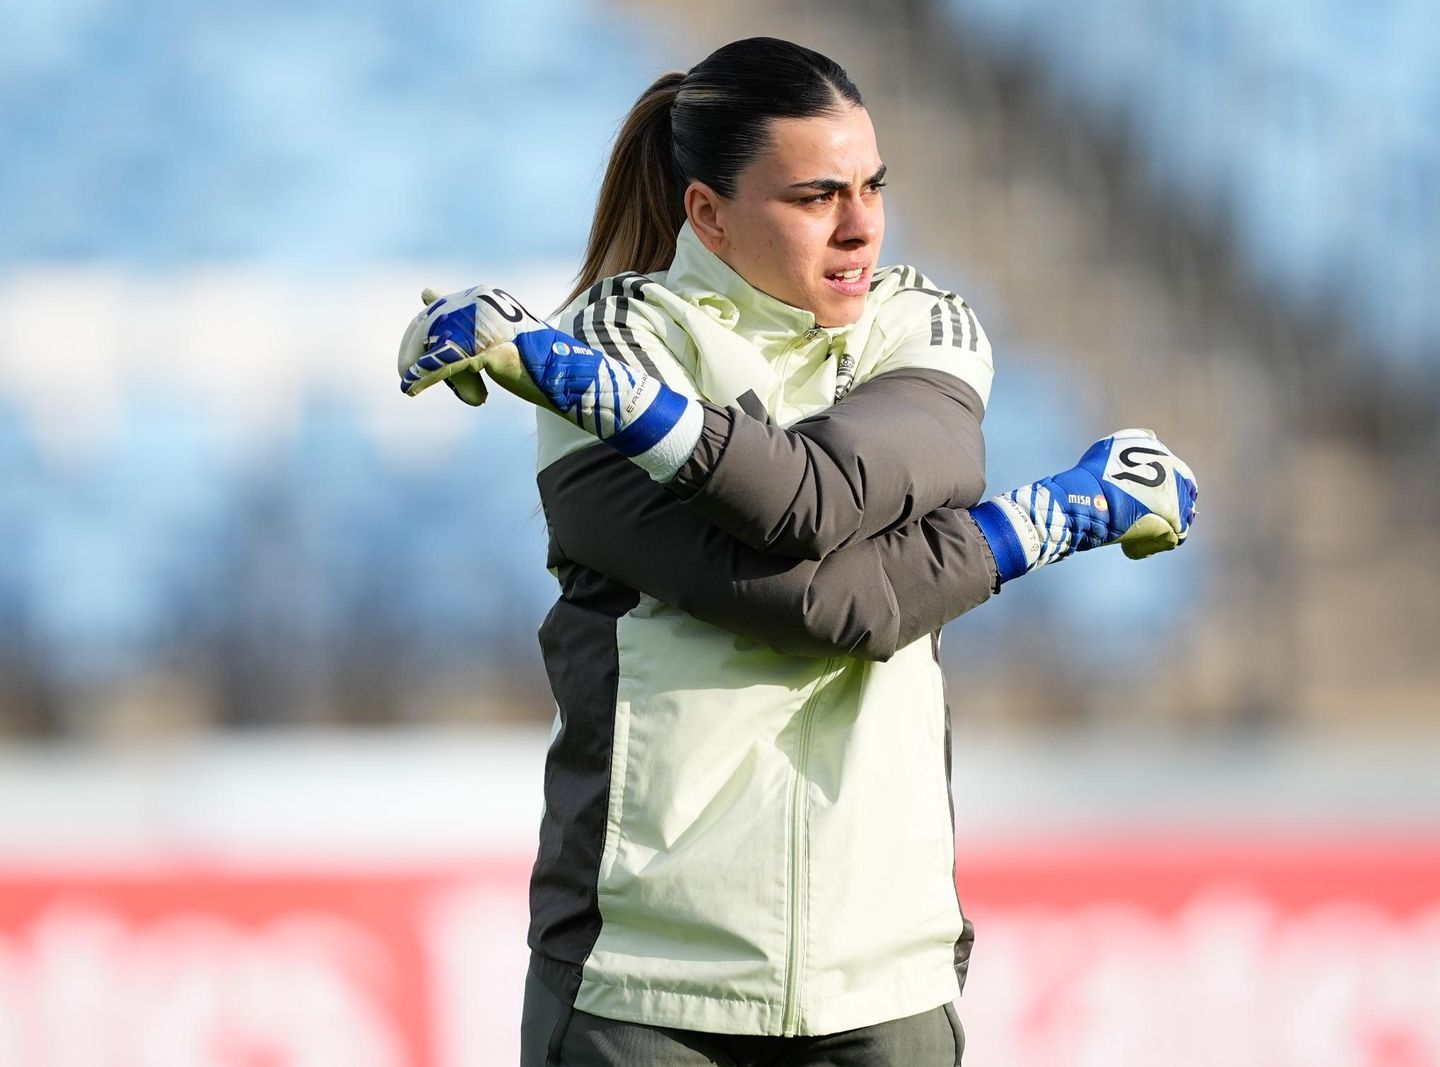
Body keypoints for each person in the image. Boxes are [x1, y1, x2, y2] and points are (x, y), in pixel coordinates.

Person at [395, 36, 1197, 1067]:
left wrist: (571, 380)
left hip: (885, 978)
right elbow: (830, 603)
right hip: (645, 986)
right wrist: (1057, 514)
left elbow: (818, 503)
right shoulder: (607, 335)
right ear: (708, 213)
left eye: (872, 185)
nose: (860, 225)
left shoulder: (922, 321)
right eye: (816, 195)